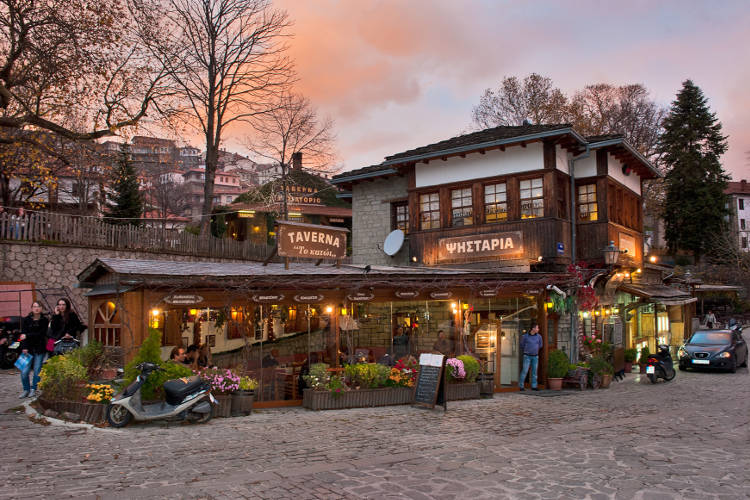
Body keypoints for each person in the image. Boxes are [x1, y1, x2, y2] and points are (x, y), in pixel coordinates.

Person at [19, 302, 49, 398]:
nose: (36, 308)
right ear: (31, 308)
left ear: (41, 308)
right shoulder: (26, 320)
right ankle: (26, 389)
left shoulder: (44, 320)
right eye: (34, 307)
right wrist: (24, 347)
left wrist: (28, 335)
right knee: (24, 371)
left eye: (38, 306)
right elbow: (22, 335)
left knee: (37, 370)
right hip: (27, 348)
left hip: (39, 348)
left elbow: (41, 334)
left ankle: (33, 389)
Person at [518, 323, 543, 391]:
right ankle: (521, 386)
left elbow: (540, 345)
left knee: (534, 372)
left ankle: (534, 386)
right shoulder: (525, 336)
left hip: (535, 357)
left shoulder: (539, 337)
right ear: (533, 329)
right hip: (527, 356)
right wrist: (528, 350)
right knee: (525, 371)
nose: (538, 329)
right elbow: (521, 345)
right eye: (537, 328)